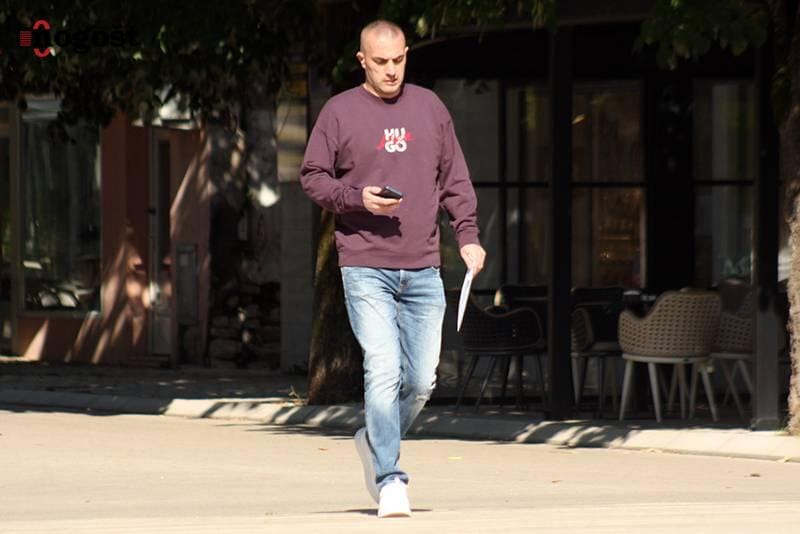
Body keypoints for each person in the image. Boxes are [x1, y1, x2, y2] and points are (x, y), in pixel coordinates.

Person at [300, 19, 486, 518]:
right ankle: (390, 480)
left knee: (422, 380)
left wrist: (468, 237)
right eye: (380, 61)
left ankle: (374, 437)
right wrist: (355, 198)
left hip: (423, 266)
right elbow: (312, 177)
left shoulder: (430, 108)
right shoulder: (340, 112)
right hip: (365, 264)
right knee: (382, 367)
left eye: (399, 60)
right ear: (362, 60)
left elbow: (455, 179)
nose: (390, 70)